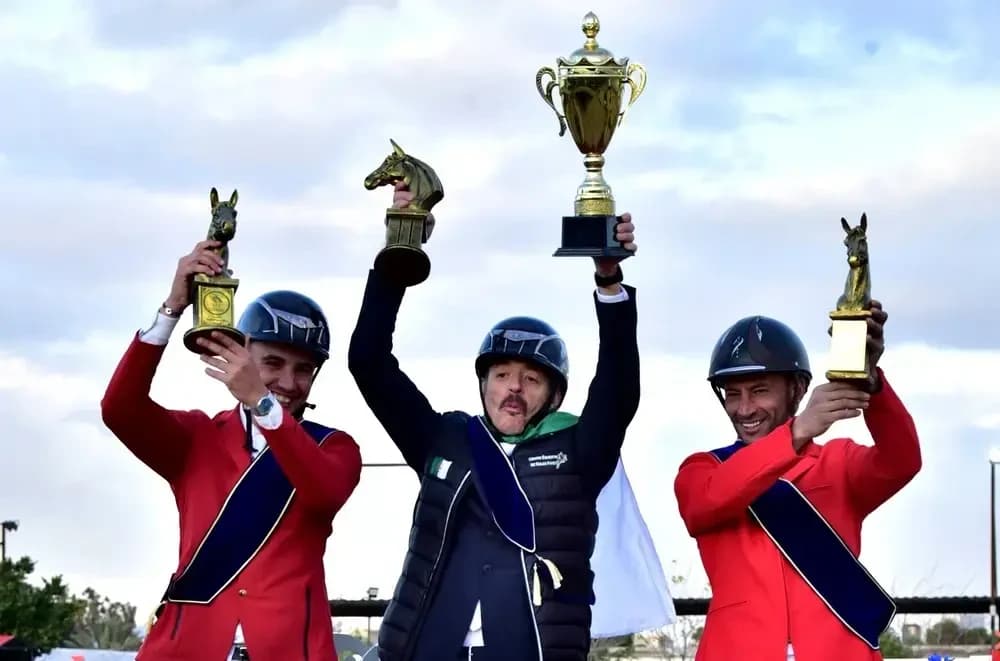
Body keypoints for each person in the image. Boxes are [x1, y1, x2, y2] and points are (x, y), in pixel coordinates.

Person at [347, 182, 656, 661]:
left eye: (532, 378)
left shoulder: (580, 452)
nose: (514, 388)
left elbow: (618, 389)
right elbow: (368, 361)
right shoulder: (444, 438)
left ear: (554, 394)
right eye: (502, 374)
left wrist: (609, 282)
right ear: (484, 383)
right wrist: (398, 251)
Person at [101, 239, 362, 661]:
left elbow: (321, 491)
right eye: (272, 364)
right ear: (240, 352)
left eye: (304, 370)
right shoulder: (197, 437)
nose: (289, 383)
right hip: (188, 647)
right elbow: (119, 409)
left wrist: (262, 402)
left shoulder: (335, 447)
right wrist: (172, 308)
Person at [673, 305, 922, 661]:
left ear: (798, 389)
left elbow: (902, 460)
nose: (744, 409)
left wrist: (874, 385)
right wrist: (799, 430)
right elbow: (706, 503)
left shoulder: (839, 463)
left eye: (759, 391)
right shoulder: (703, 469)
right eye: (733, 394)